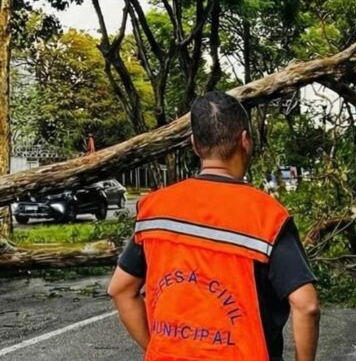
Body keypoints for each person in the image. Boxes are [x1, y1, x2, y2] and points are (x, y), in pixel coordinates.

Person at [107, 91, 320, 361]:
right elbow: (307, 305)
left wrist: (157, 350)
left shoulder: (154, 209)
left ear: (195, 145)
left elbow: (120, 289)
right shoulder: (266, 216)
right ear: (245, 140)